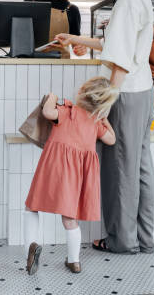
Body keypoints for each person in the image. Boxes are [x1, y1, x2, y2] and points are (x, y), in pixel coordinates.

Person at [55, 0, 154, 254]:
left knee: (120, 168)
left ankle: (121, 241)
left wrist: (107, 100)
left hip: (125, 95)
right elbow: (115, 44)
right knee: (140, 167)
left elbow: (121, 59)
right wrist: (75, 38)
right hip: (143, 92)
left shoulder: (127, 1)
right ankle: (143, 238)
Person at [23, 77, 118, 275]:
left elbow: (48, 111)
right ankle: (74, 261)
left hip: (54, 168)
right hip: (76, 177)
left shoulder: (68, 111)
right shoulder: (95, 123)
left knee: (32, 207)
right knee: (69, 217)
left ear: (82, 91)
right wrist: (103, 118)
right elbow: (111, 139)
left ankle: (30, 249)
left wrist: (52, 96)